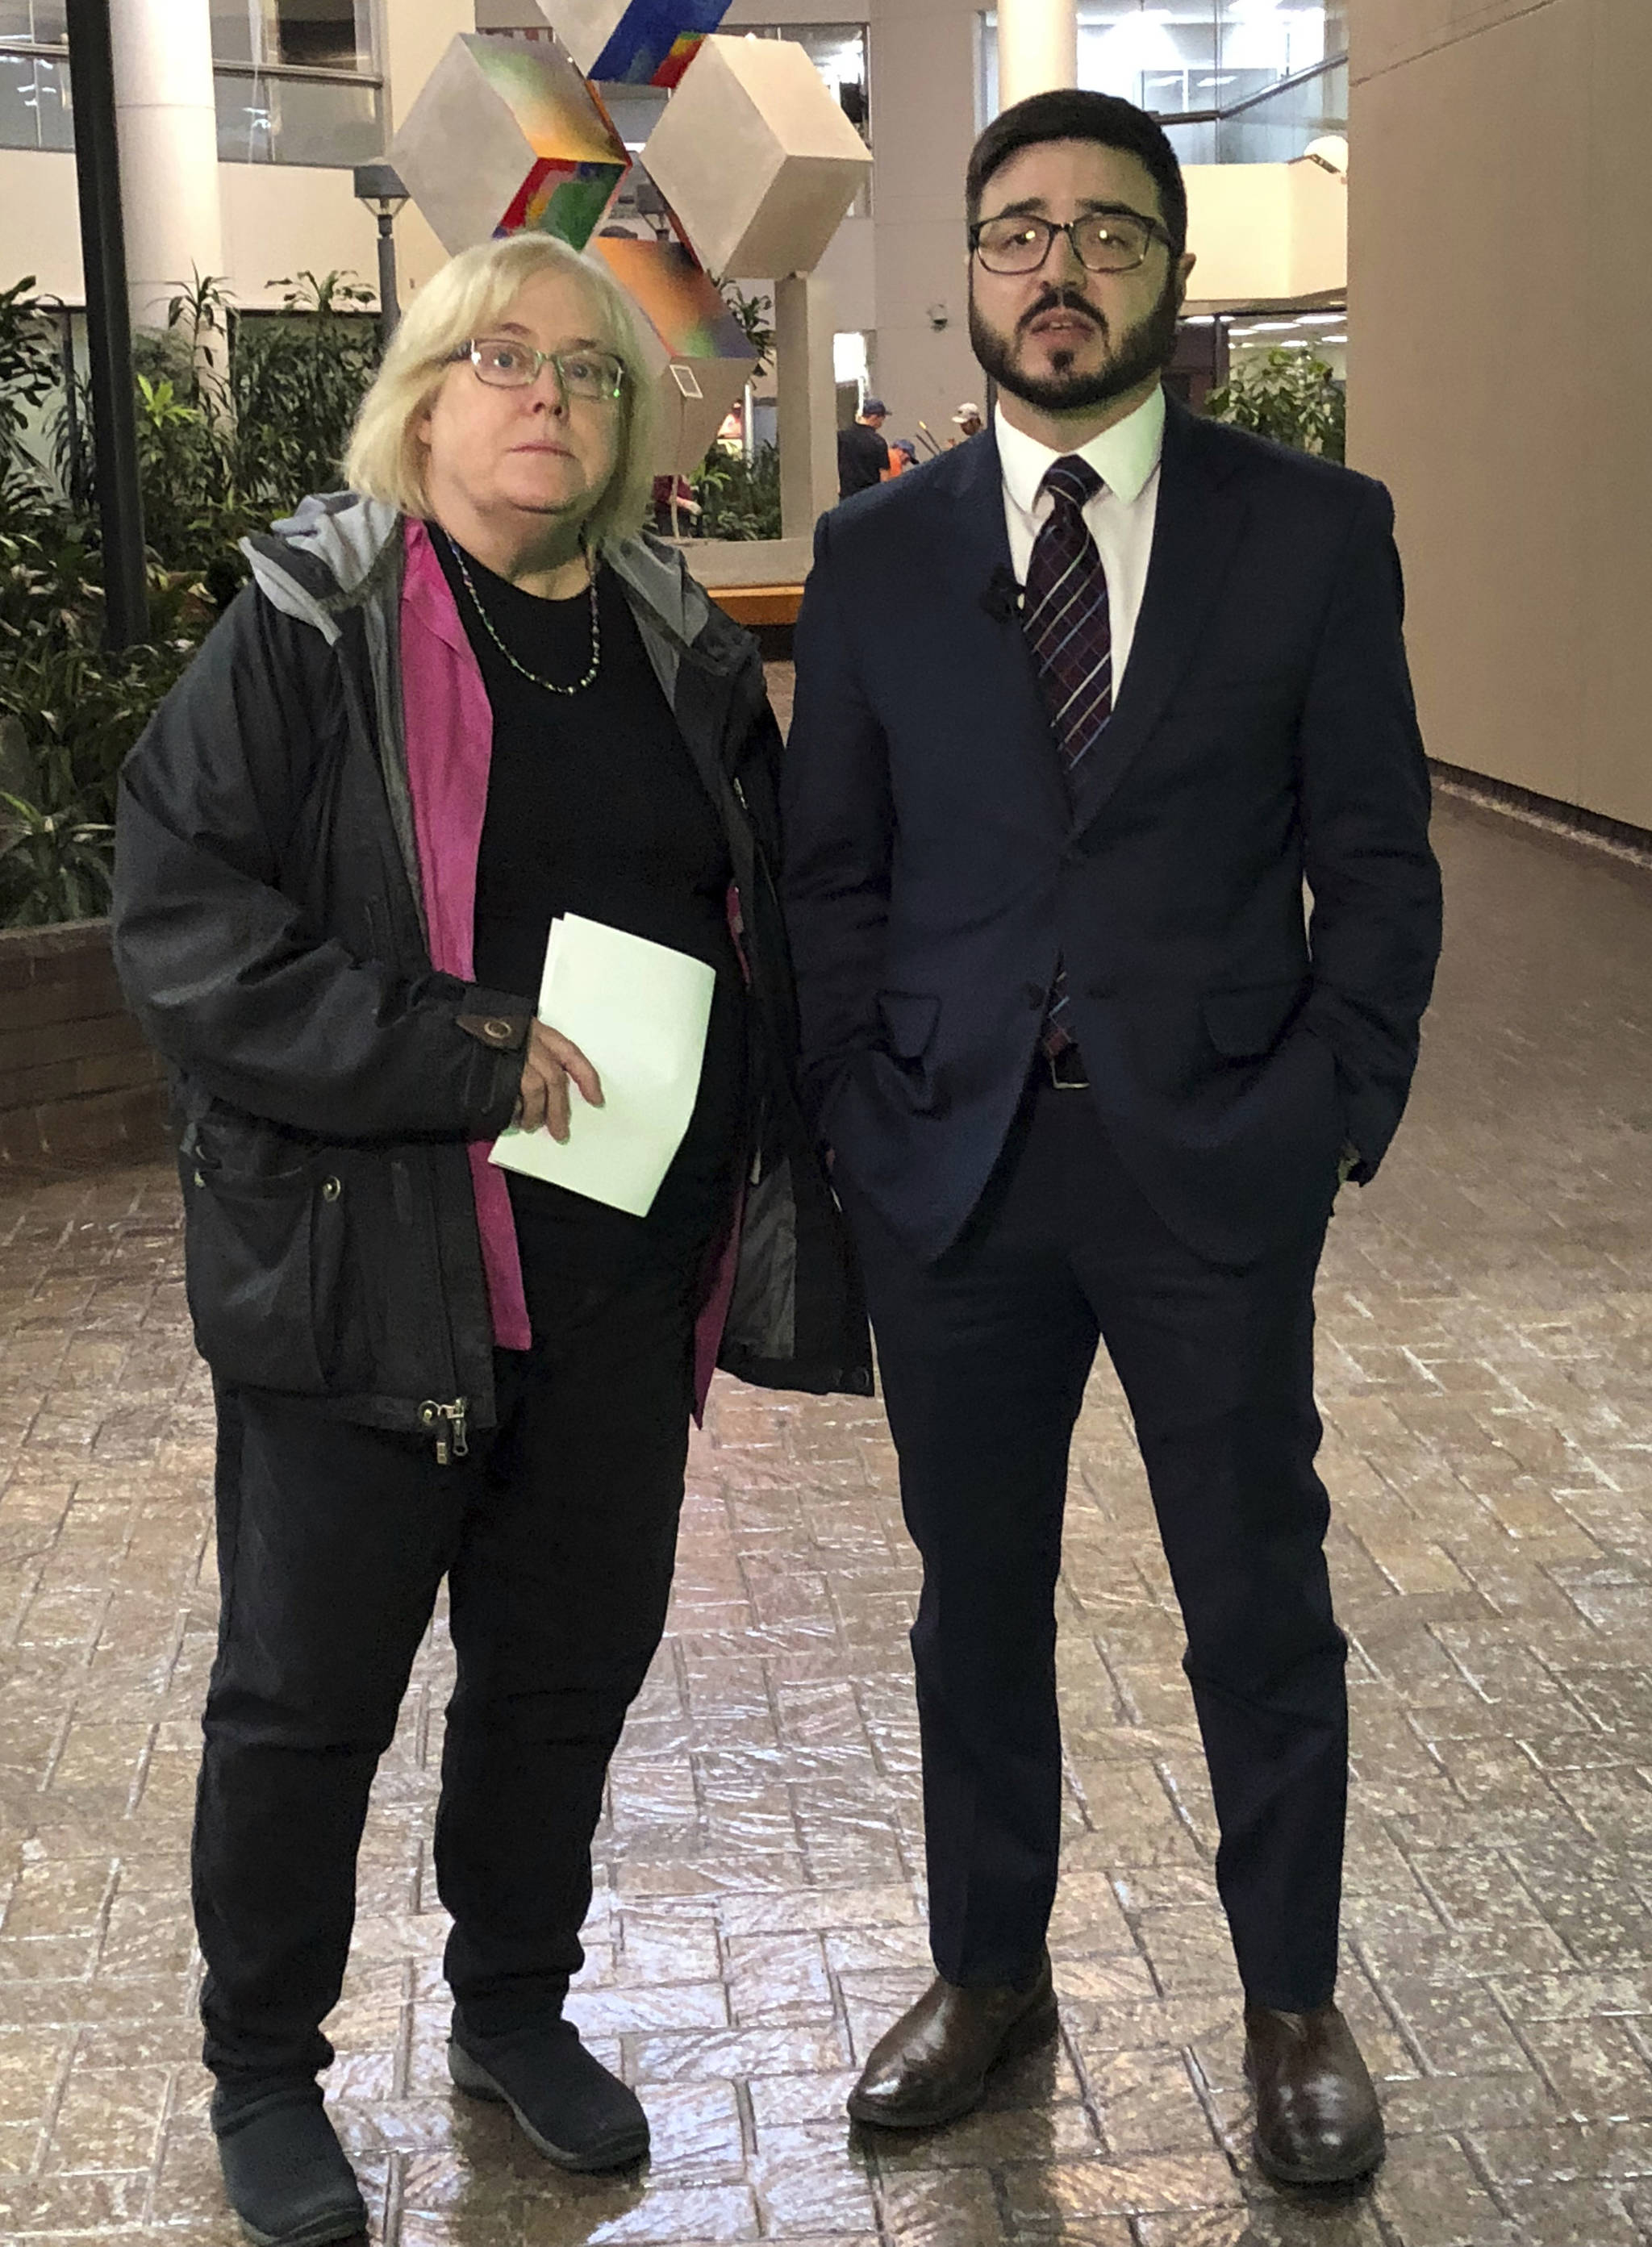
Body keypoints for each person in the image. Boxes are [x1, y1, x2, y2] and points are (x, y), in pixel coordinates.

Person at [113, 230, 869, 2247]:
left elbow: (755, 925)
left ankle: (512, 2008)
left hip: (620, 1272)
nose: (547, 396)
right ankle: (265, 2070)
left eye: (589, 373)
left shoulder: (678, 646)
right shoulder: (307, 623)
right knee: (308, 1696)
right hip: (372, 1266)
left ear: (628, 427)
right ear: (426, 399)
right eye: (502, 360)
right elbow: (186, 930)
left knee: (558, 1674)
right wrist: (447, 1053)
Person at [782, 89, 1441, 2186]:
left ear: (1172, 271)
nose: (1056, 271)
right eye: (1017, 234)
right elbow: (833, 876)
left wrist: (1331, 1107)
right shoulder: (880, 556)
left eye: (1106, 235)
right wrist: (861, 1111)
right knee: (972, 1599)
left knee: (1256, 1595)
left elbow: (1382, 860)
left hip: (1214, 1162)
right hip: (955, 1172)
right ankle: (991, 1975)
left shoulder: (1311, 534)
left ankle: (1290, 2004)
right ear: (973, 276)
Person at [837, 395, 892, 498]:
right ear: (875, 417)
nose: (881, 423)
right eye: (882, 419)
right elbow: (885, 477)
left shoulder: (842, 437)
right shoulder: (878, 442)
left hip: (846, 498)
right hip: (869, 499)